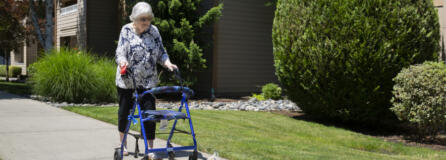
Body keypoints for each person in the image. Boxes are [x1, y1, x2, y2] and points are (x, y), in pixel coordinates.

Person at [115, 2, 177, 159]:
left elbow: (161, 52)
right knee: (124, 113)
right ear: (134, 19)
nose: (146, 22)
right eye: (143, 19)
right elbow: (120, 52)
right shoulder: (126, 30)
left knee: (149, 115)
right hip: (127, 81)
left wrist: (167, 63)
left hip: (148, 82)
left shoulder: (153, 31)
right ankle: (123, 146)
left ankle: (150, 150)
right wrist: (122, 61)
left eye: (149, 18)